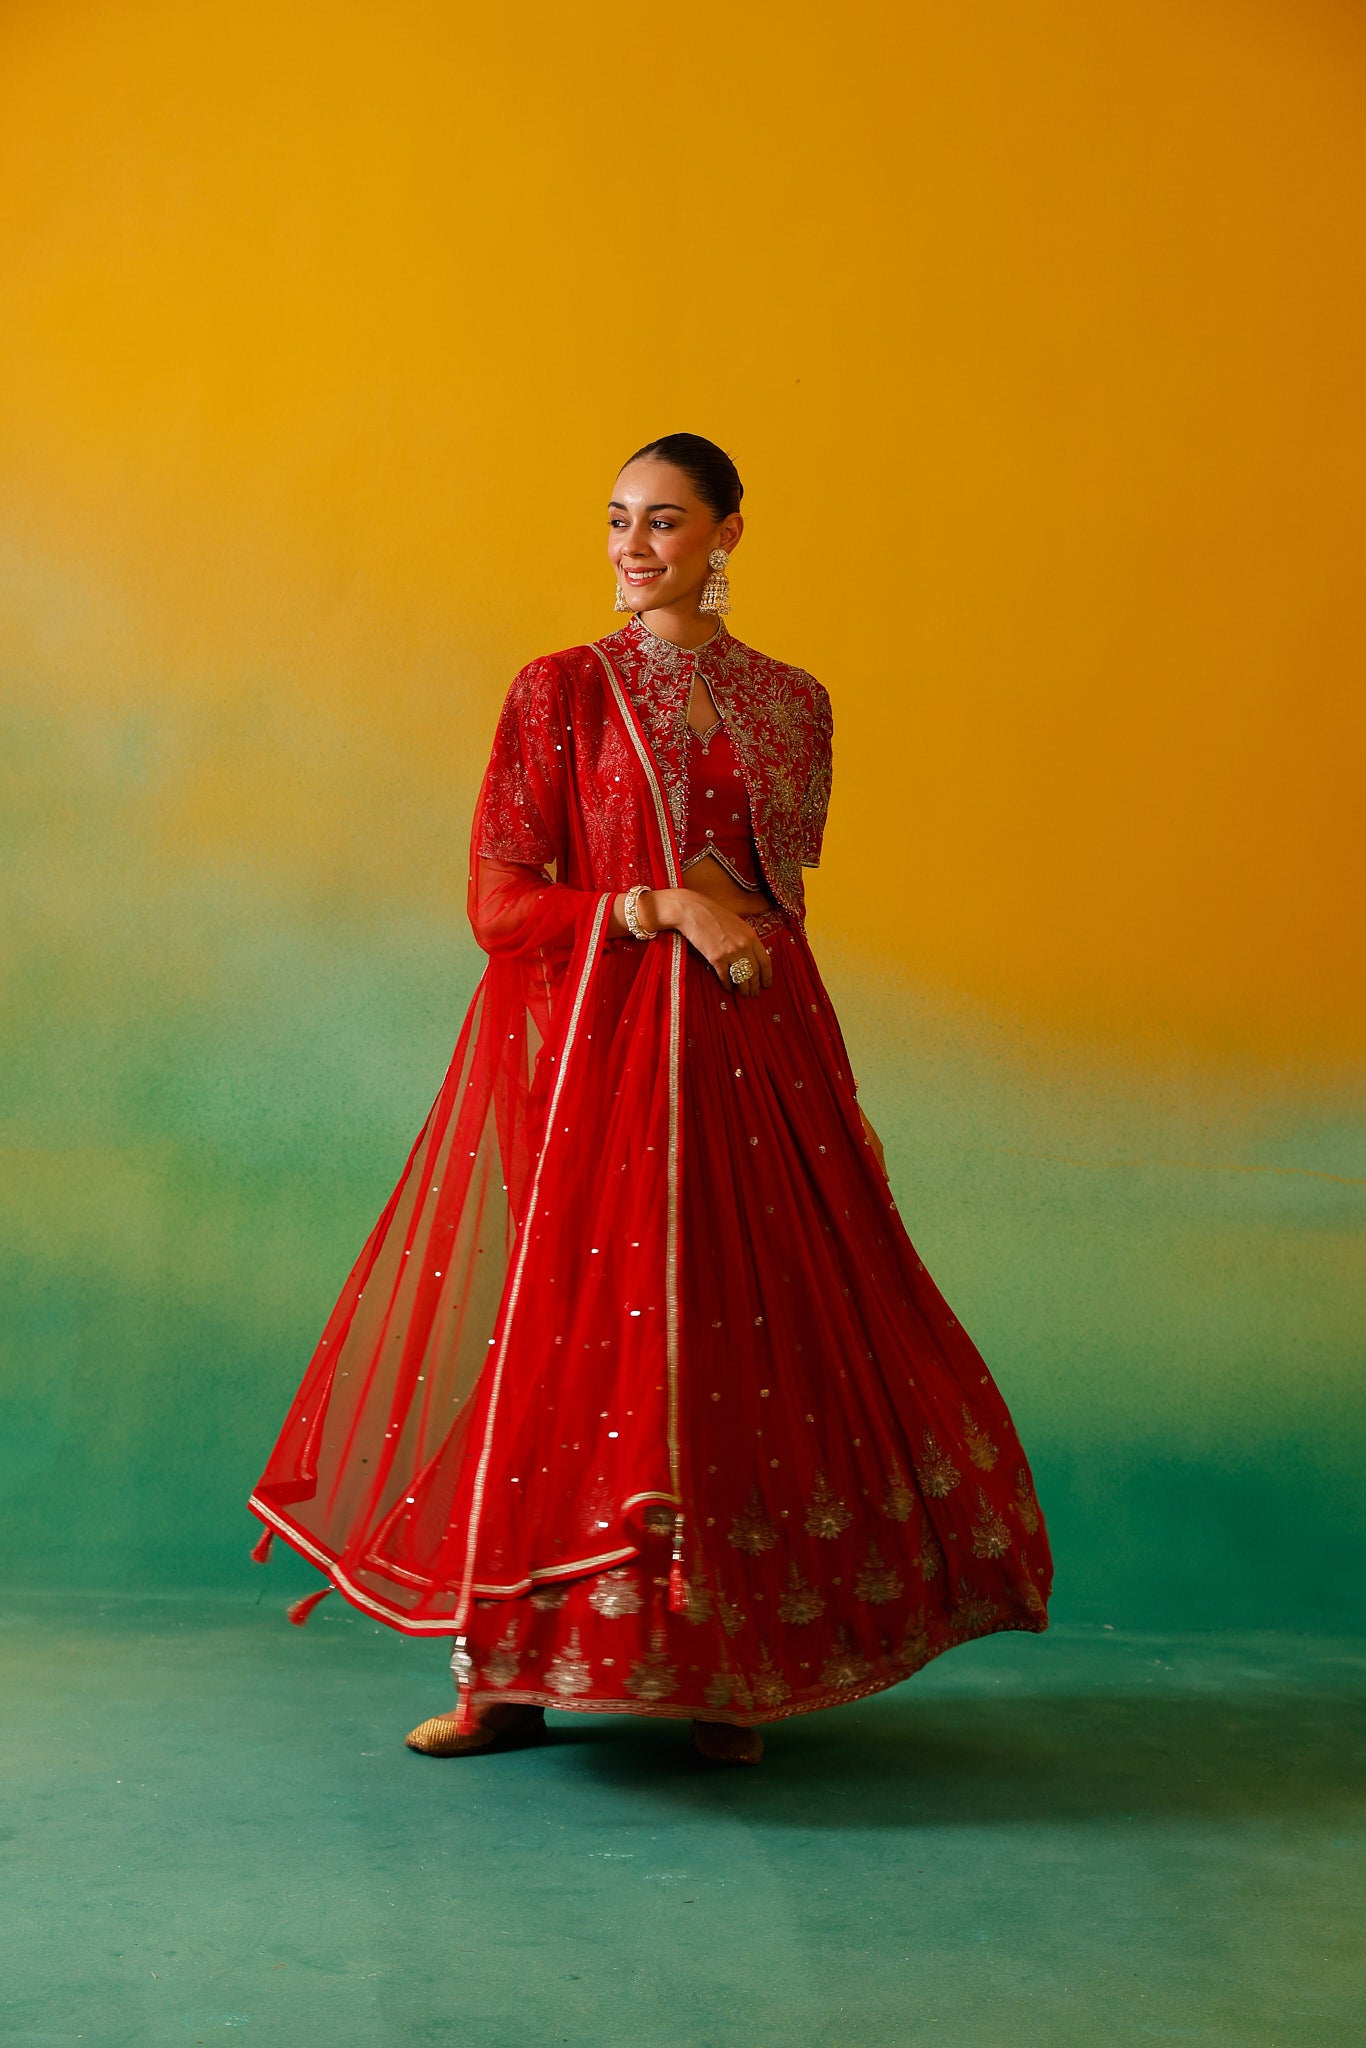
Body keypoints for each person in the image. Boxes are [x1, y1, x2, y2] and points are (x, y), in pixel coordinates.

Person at [249, 432, 1052, 1767]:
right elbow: (499, 906)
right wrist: (659, 904)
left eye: (665, 521)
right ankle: (507, 1675)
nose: (634, 546)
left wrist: (817, 1065)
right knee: (571, 1334)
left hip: (755, 1052)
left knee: (745, 1339)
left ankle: (725, 1671)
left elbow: (778, 913)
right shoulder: (559, 691)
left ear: (728, 533)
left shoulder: (794, 704)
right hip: (603, 1056)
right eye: (619, 519)